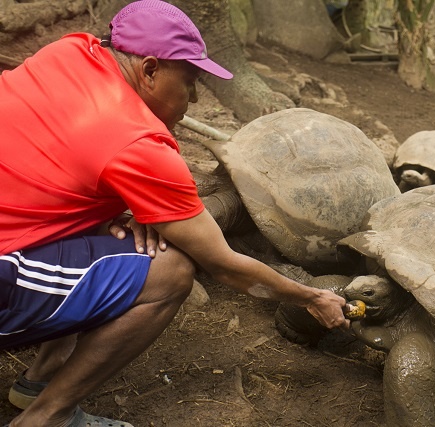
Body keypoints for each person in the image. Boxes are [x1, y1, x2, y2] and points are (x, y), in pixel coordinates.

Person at [0, 1, 348, 426]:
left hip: (16, 228)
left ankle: (38, 381)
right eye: (189, 81)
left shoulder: (70, 52)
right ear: (149, 70)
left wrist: (138, 203)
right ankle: (47, 416)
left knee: (99, 223)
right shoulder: (138, 145)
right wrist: (311, 297)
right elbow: (226, 267)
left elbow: (72, 157)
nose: (195, 98)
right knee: (172, 270)